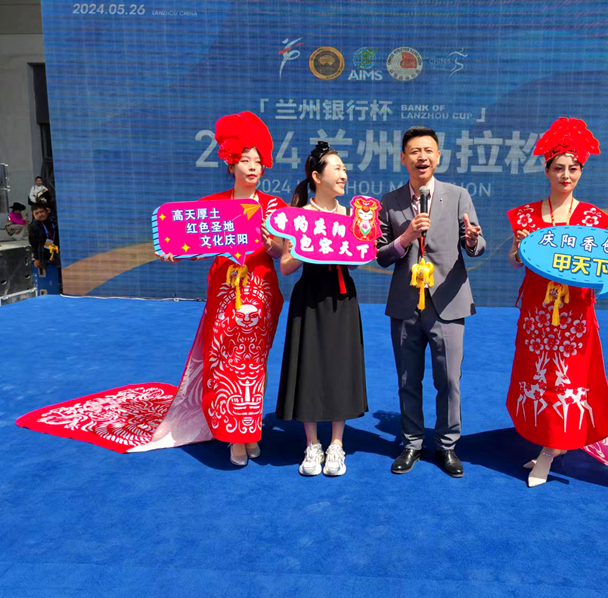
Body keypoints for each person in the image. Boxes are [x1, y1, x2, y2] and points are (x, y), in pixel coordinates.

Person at [158, 111, 285, 466]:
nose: (252, 167)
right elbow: (192, 246)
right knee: (224, 360)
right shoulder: (212, 205)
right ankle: (231, 435)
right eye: (245, 160)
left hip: (261, 292)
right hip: (225, 292)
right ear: (231, 163)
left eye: (257, 160)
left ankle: (250, 429)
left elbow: (283, 252)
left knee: (253, 363)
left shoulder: (275, 207)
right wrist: (175, 252)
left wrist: (271, 243)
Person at [505, 117, 608, 487]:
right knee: (538, 375)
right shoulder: (526, 215)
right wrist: (519, 248)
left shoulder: (591, 219)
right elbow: (515, 260)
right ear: (546, 171)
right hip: (537, 311)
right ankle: (551, 441)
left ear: (581, 172)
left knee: (568, 378)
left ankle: (550, 449)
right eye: (558, 168)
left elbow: (602, 266)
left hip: (575, 313)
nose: (566, 175)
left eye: (573, 168)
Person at [376, 126, 485, 478]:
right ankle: (412, 443)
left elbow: (476, 244)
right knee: (408, 379)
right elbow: (380, 255)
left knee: (449, 380)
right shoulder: (389, 201)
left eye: (428, 150)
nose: (421, 157)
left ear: (438, 156)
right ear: (403, 158)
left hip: (447, 302)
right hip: (405, 304)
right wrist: (406, 237)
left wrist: (472, 240)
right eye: (414, 151)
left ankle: (447, 445)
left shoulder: (458, 196)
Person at [275, 141, 368, 477]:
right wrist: (305, 248)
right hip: (310, 297)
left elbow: (357, 262)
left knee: (340, 366)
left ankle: (337, 444)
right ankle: (312, 444)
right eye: (337, 168)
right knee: (310, 366)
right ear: (317, 176)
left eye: (344, 169)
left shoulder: (353, 216)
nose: (344, 175)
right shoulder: (298, 217)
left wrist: (358, 244)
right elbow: (286, 266)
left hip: (342, 297)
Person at [28, 205, 59, 273]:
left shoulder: (53, 222)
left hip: (56, 250)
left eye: (42, 211)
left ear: (47, 211)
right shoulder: (33, 226)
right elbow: (33, 244)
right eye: (36, 213)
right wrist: (36, 258)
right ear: (33, 215)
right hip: (43, 254)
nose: (40, 214)